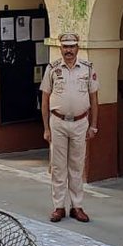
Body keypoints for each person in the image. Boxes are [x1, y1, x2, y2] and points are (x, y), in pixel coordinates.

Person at [40, 33, 99, 223]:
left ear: (78, 48)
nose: (69, 50)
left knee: (76, 165)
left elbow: (94, 100)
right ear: (60, 49)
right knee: (58, 167)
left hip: (81, 122)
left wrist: (94, 125)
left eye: (72, 47)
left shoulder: (88, 69)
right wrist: (46, 128)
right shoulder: (52, 69)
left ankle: (77, 206)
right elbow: (45, 99)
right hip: (58, 122)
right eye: (65, 47)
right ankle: (58, 206)